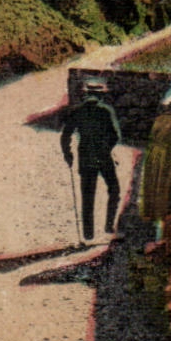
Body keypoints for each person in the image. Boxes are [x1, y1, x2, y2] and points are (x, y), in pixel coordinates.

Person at [61, 78, 121, 240]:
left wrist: (68, 154)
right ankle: (109, 225)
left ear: (86, 95)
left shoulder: (77, 111)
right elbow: (115, 136)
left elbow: (65, 136)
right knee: (114, 190)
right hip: (103, 158)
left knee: (87, 196)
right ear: (101, 95)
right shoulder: (105, 111)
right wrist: (105, 149)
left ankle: (88, 234)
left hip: (85, 158)